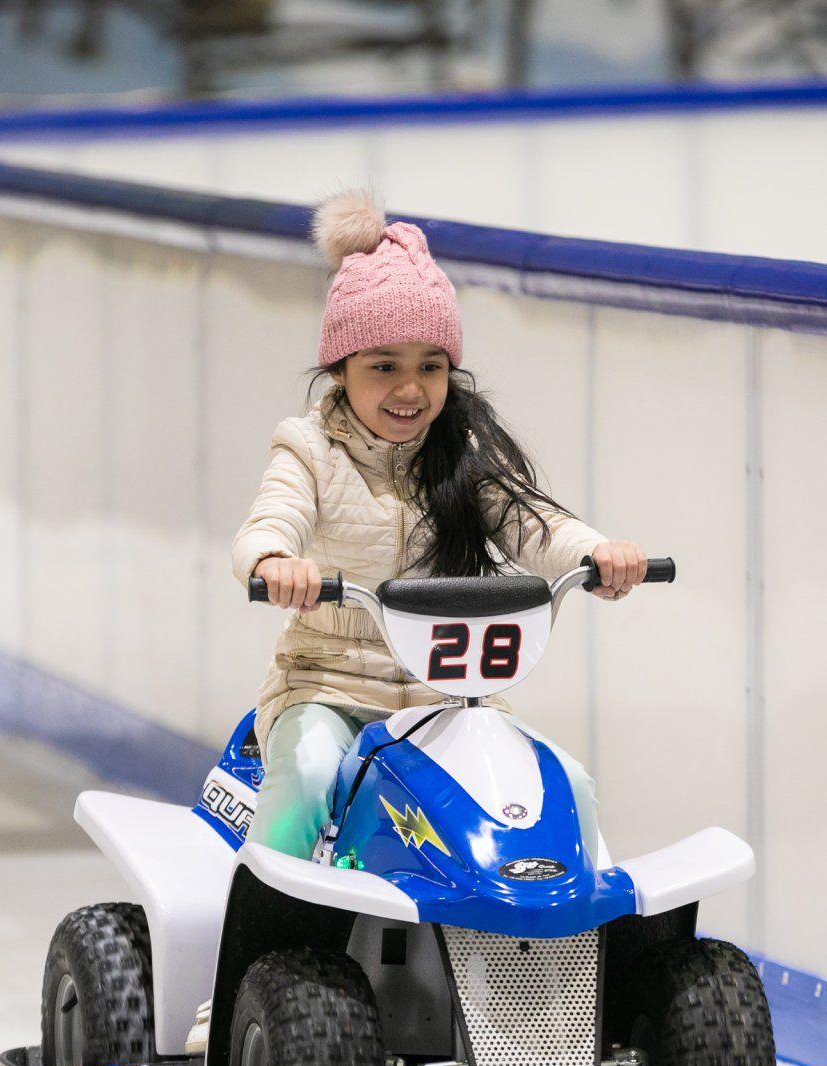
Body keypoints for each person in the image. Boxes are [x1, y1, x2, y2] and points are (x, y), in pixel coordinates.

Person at [231, 190, 648, 861]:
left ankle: (588, 920)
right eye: (383, 366)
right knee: (307, 777)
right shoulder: (308, 449)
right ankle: (259, 914)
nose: (410, 389)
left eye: (431, 366)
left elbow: (534, 524)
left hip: (448, 695)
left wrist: (598, 554)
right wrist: (273, 560)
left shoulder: (463, 455)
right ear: (340, 369)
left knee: (561, 783)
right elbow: (274, 515)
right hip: (331, 688)